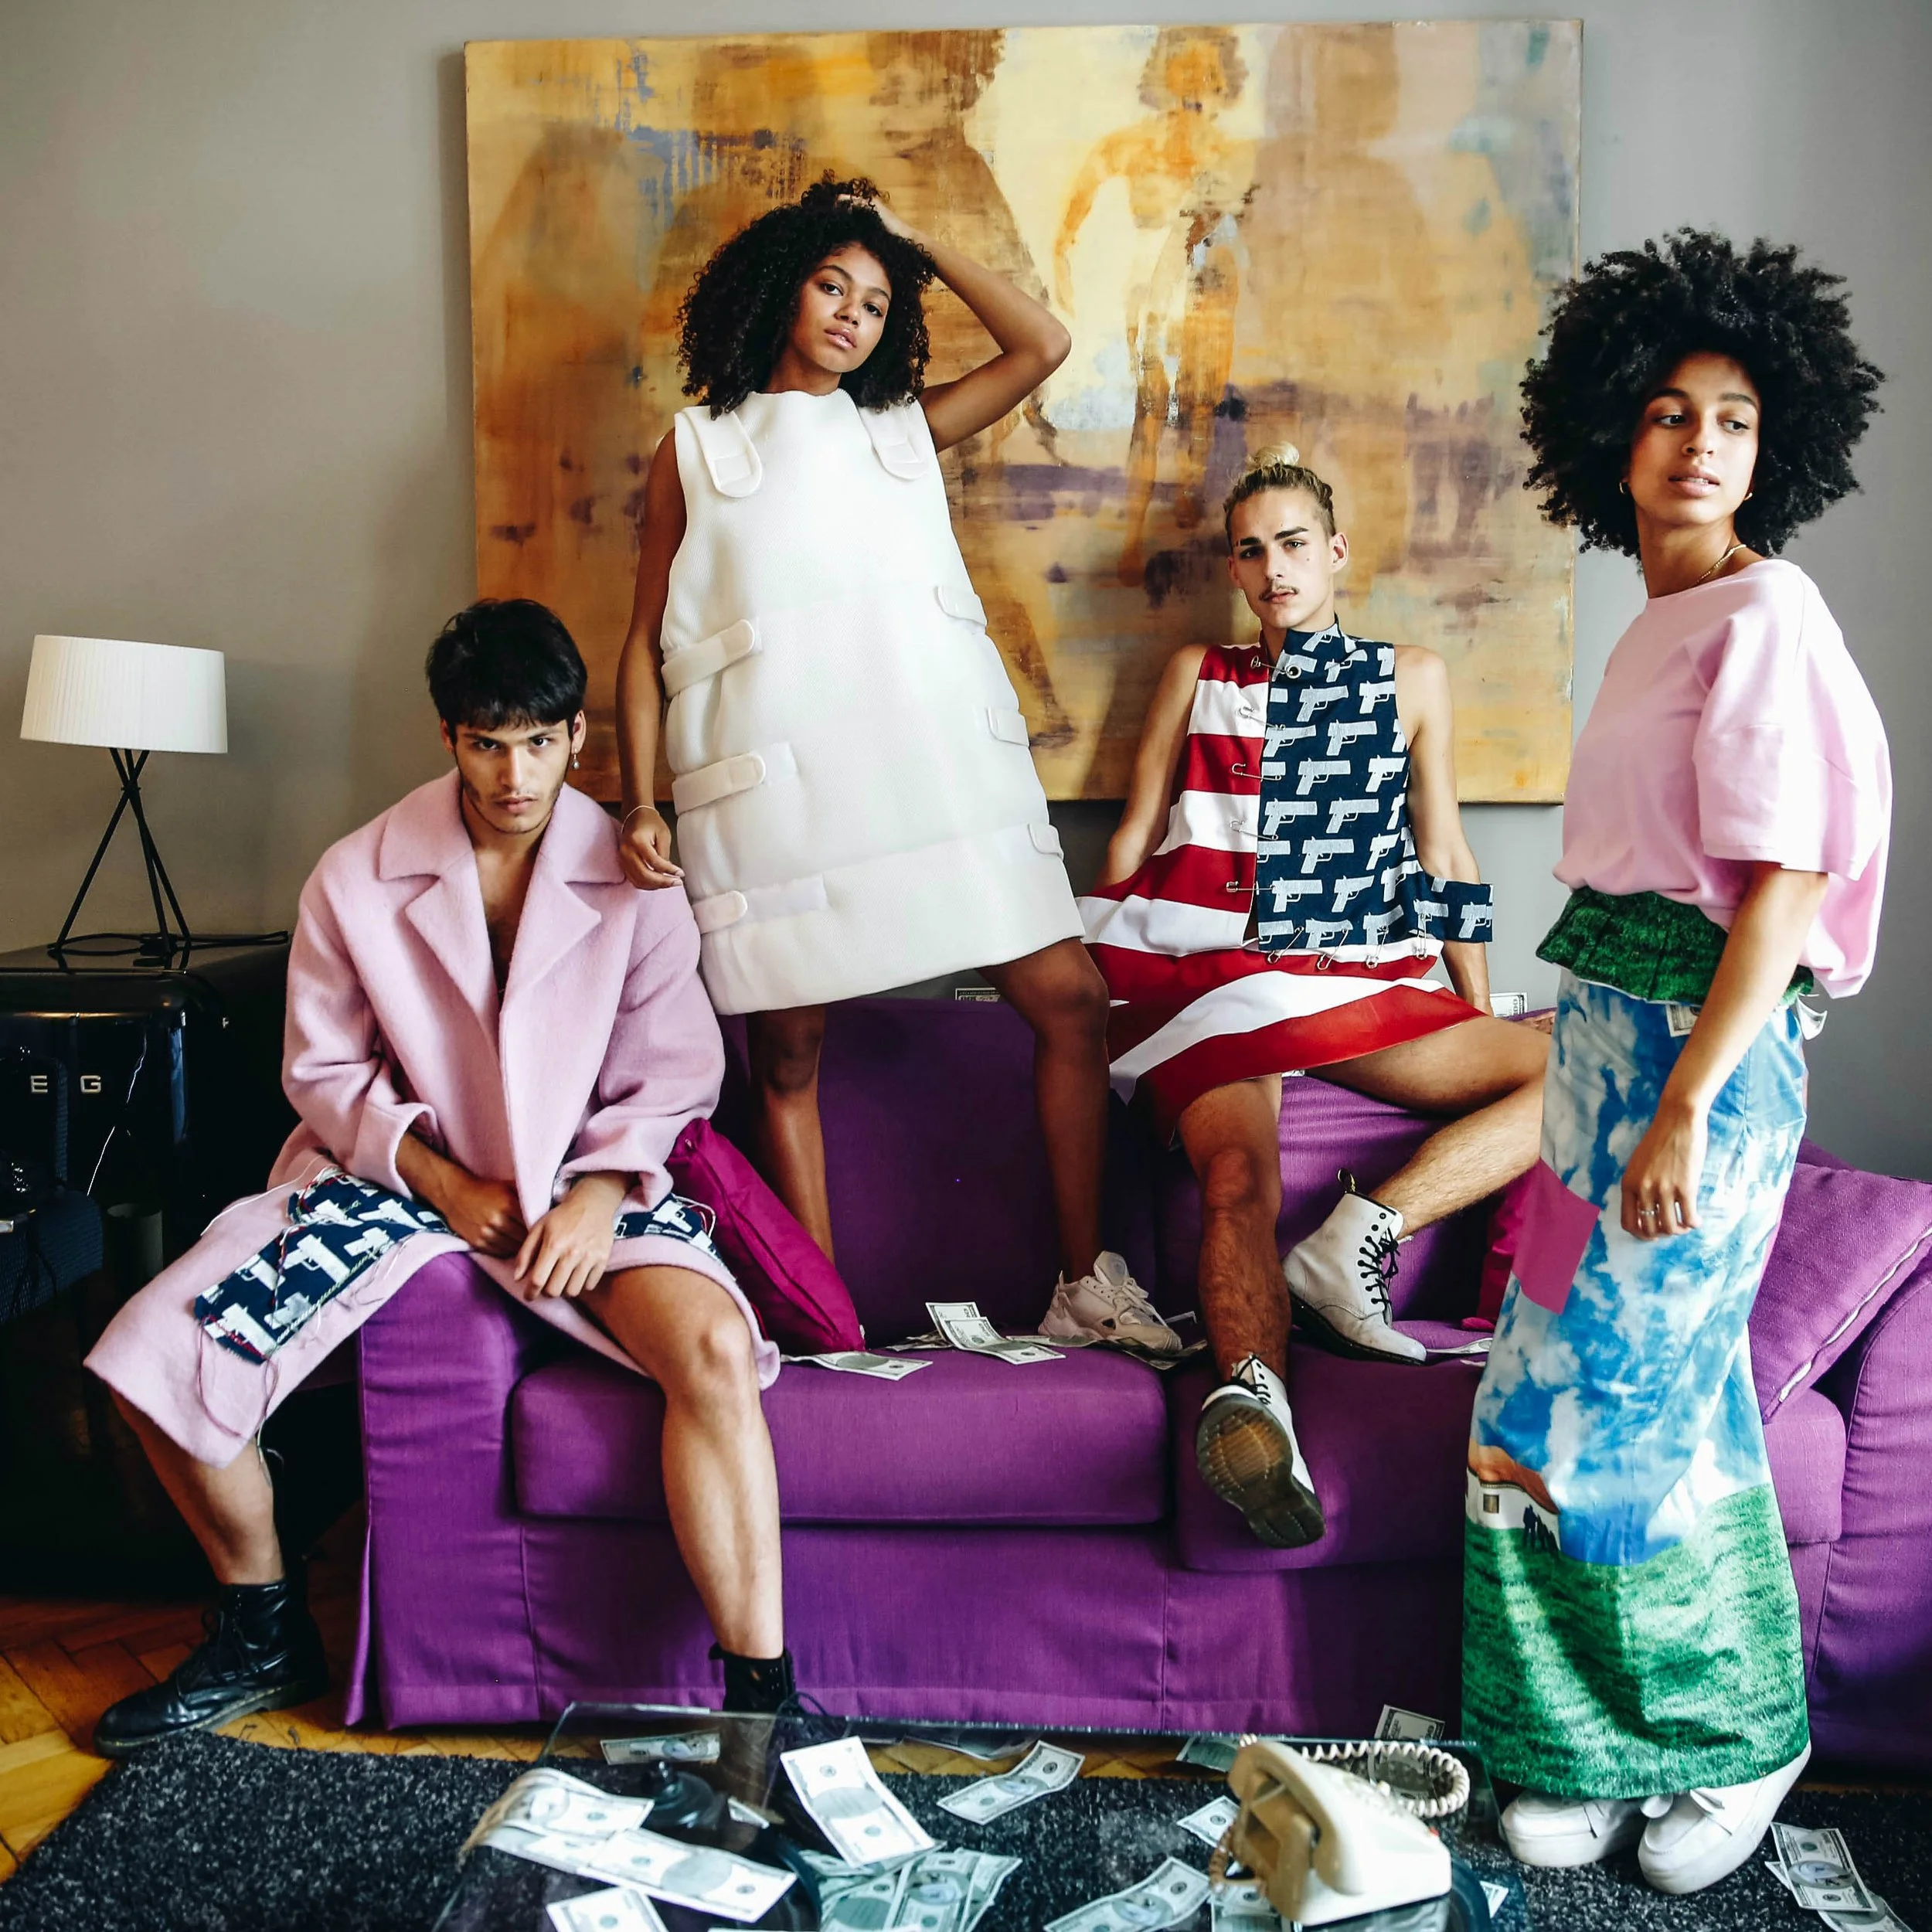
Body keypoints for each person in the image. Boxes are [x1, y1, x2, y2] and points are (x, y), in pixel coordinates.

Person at [86, 600, 793, 1750]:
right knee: (152, 1346)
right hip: (392, 1182)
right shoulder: (355, 875)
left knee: (711, 1347)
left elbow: (672, 1075)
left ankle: (764, 1702)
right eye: (485, 741)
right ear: (449, 738)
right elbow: (321, 1069)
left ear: (577, 740)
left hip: (592, 1182)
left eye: (539, 740)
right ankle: (263, 1628)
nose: (515, 773)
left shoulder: (637, 874)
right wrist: (438, 1179)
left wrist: (601, 1193)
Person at [1462, 232, 1889, 1896]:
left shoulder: (1768, 606)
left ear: (1769, 447)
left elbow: (1777, 887)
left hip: (1696, 1058)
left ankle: (1732, 1737)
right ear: (1605, 440)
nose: (1697, 441)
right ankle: (1578, 1736)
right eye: (1662, 410)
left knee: (1643, 1406)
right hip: (1597, 1049)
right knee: (1540, 1386)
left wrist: (1689, 1107)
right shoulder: (1661, 618)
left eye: (1728, 415)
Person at [615, 175, 1176, 1354]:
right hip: (776, 787)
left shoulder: (899, 428)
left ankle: (1083, 1283)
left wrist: (914, 241)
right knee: (788, 1048)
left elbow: (1043, 343)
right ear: (778, 291)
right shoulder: (696, 450)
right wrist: (638, 798)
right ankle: (829, 1323)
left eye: (876, 302)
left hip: (931, 777)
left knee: (1072, 1004)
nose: (853, 315)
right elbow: (642, 637)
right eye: (833, 284)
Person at [1085, 444, 1546, 1546]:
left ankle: (1359, 1240)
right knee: (1237, 1177)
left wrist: (1473, 1005)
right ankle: (1257, 1411)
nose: (1274, 567)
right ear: (1236, 573)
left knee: (1581, 1072)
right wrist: (1092, 975)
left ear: (1334, 552)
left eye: (1293, 544)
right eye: (1252, 552)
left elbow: (1446, 852)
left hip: (1356, 971)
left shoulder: (1410, 676)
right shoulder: (1201, 668)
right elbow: (1136, 830)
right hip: (1212, 966)